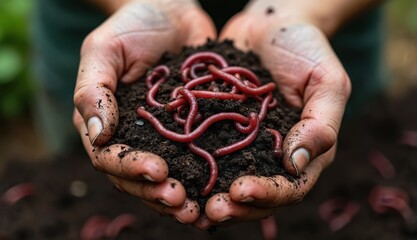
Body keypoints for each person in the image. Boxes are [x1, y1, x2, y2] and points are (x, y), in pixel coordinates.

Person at [34, 0, 386, 230]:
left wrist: (306, 10)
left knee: (340, 149)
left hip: (327, 20)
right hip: (96, 16)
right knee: (81, 163)